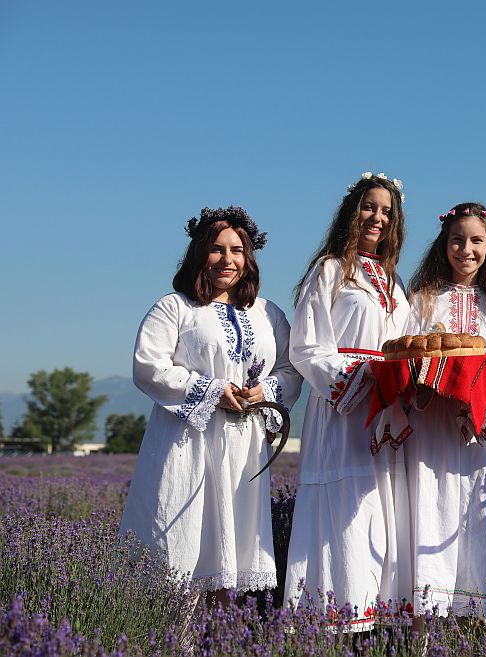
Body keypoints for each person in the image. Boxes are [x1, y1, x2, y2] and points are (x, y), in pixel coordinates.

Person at [121, 206, 302, 604]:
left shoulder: (268, 313)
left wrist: (265, 390)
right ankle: (176, 642)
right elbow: (148, 367)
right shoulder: (175, 308)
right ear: (199, 254)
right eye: (217, 249)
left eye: (237, 250)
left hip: (243, 448)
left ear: (248, 258)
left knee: (231, 552)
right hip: (187, 442)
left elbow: (292, 370)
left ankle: (222, 637)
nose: (228, 259)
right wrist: (212, 389)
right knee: (181, 543)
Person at [283, 172, 411, 629]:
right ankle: (335, 619)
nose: (377, 217)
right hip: (343, 407)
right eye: (369, 207)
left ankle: (376, 618)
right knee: (343, 508)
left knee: (381, 509)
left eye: (386, 211)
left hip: (386, 411)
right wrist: (356, 381)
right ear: (351, 211)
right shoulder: (331, 269)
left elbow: (403, 345)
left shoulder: (395, 283)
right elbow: (306, 346)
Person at [404, 202, 486, 617]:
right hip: (432, 424)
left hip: (485, 430)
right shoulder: (421, 300)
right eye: (457, 240)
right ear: (444, 244)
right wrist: (432, 390)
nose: (466, 249)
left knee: (481, 517)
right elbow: (407, 358)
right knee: (431, 510)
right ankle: (426, 623)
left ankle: (481, 621)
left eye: (476, 240)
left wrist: (480, 398)